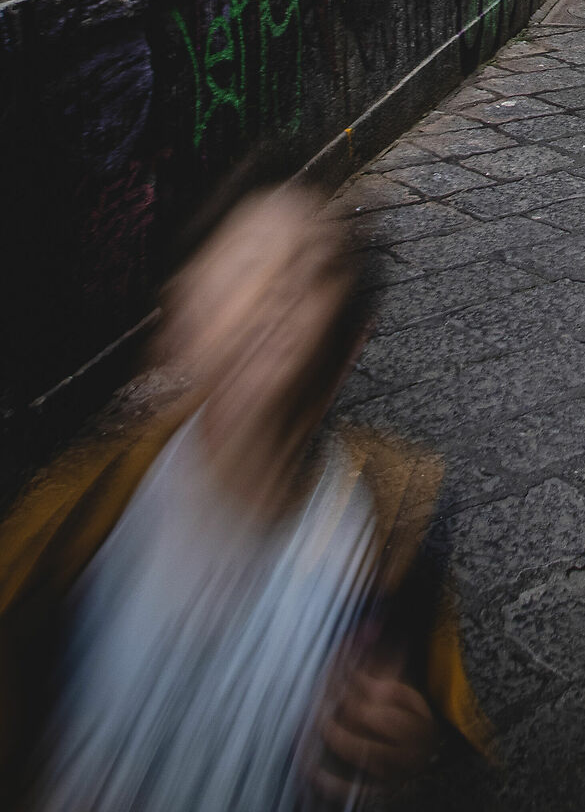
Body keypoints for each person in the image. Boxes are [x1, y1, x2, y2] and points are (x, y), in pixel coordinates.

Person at [0, 165, 489, 807]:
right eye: (243, 267)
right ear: (180, 314)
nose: (265, 304)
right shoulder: (67, 520)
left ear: (345, 348)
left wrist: (415, 748)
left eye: (302, 279)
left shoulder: (398, 526)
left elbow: (445, 737)